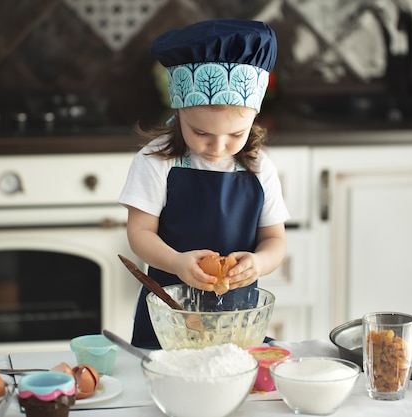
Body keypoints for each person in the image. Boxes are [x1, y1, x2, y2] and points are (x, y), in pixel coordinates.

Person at [118, 19, 290, 348]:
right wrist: (176, 263)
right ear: (179, 112)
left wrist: (259, 263)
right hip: (169, 315)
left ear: (253, 118)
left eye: (235, 135)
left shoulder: (259, 167)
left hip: (236, 318)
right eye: (200, 133)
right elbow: (139, 234)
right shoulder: (156, 161)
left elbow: (274, 240)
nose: (217, 146)